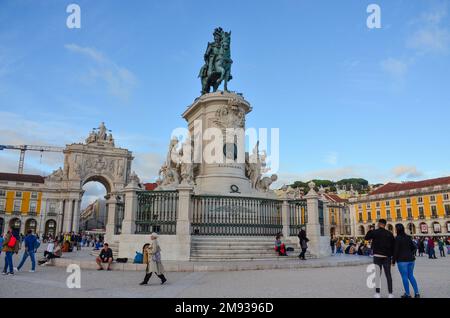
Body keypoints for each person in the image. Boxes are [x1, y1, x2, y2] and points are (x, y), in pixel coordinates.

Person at [365, 220, 395, 298]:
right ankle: (390, 293)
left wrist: (371, 230)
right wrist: (392, 257)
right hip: (387, 257)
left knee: (378, 275)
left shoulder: (375, 232)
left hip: (377, 256)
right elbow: (393, 246)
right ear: (385, 225)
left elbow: (366, 238)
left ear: (379, 224)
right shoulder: (390, 233)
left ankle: (377, 293)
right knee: (388, 275)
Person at [393, 224, 420, 298]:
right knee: (411, 276)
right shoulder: (408, 237)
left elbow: (396, 250)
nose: (395, 230)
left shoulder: (397, 238)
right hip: (411, 260)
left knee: (404, 277)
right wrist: (410, 253)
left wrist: (393, 261)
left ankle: (407, 294)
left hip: (402, 261)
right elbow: (414, 247)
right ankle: (417, 293)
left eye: (395, 229)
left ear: (397, 229)